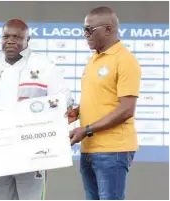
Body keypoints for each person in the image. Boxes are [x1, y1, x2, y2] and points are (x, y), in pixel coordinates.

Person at [0, 19, 74, 200]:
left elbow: (65, 99)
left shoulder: (44, 66)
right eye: (6, 36)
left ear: (27, 40)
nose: (10, 41)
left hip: (32, 152)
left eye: (17, 37)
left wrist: (37, 111)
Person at [68, 7, 141, 200]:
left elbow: (126, 110)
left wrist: (87, 129)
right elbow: (100, 99)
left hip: (113, 150)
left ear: (108, 29)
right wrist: (77, 113)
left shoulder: (125, 60)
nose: (85, 35)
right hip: (89, 148)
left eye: (89, 30)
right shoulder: (94, 60)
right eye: (83, 29)